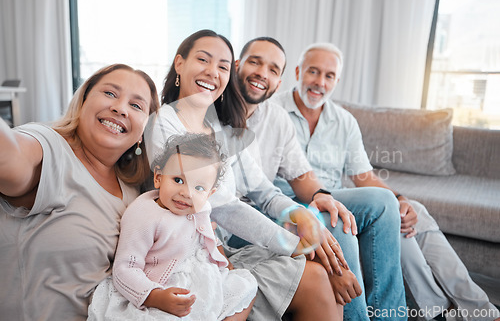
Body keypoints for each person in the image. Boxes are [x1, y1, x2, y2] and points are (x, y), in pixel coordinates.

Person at [272, 42, 500, 321]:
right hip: (295, 204)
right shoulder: (274, 111)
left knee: (411, 212)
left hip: (338, 197)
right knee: (384, 208)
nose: (320, 82)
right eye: (313, 72)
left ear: (337, 81)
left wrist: (401, 199)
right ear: (298, 71)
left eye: (329, 76)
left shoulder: (344, 121)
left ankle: (475, 309)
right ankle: (437, 311)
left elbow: (363, 176)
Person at [144, 29, 344, 321]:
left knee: (319, 267)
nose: (212, 72)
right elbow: (221, 208)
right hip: (185, 258)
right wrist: (291, 243)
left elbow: (263, 191)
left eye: (223, 66)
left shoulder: (221, 129)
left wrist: (297, 214)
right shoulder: (164, 124)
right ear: (179, 64)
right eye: (203, 59)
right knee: (314, 276)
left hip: (218, 249)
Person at [233, 37, 407, 321]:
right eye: (255, 62)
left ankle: (390, 317)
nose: (263, 73)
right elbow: (252, 200)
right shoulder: (219, 117)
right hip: (250, 221)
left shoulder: (275, 117)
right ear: (237, 66)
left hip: (282, 207)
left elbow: (302, 177)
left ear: (279, 80)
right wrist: (308, 218)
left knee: (379, 201)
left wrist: (321, 196)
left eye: (273, 69)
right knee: (334, 223)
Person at [0, 64, 160, 320]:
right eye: (110, 93)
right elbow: (11, 157)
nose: (120, 108)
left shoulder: (136, 192)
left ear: (143, 131)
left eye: (137, 106)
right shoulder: (50, 149)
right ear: (83, 101)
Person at [88, 133, 258, 320]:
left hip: (200, 276)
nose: (187, 193)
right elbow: (125, 269)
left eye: (199, 188)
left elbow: (209, 236)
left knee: (245, 286)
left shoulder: (200, 209)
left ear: (210, 193)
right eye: (178, 180)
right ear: (159, 178)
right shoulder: (144, 215)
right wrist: (155, 297)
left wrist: (223, 263)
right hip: (160, 286)